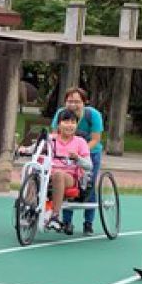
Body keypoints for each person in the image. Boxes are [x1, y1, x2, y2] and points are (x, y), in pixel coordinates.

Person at [50, 87, 103, 235]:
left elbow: (95, 139)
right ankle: (66, 221)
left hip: (89, 151)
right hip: (65, 153)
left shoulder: (93, 115)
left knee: (88, 186)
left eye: (77, 101)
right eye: (69, 101)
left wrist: (79, 151)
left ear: (84, 102)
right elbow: (55, 134)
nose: (73, 104)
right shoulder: (62, 114)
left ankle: (88, 222)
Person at [41, 109, 91, 232]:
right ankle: (27, 210)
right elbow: (33, 149)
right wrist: (23, 149)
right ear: (58, 124)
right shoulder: (50, 139)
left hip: (69, 177)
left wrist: (77, 158)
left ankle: (55, 216)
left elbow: (89, 165)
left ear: (76, 125)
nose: (69, 125)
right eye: (66, 121)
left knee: (58, 174)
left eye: (73, 122)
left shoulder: (80, 142)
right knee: (32, 171)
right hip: (48, 175)